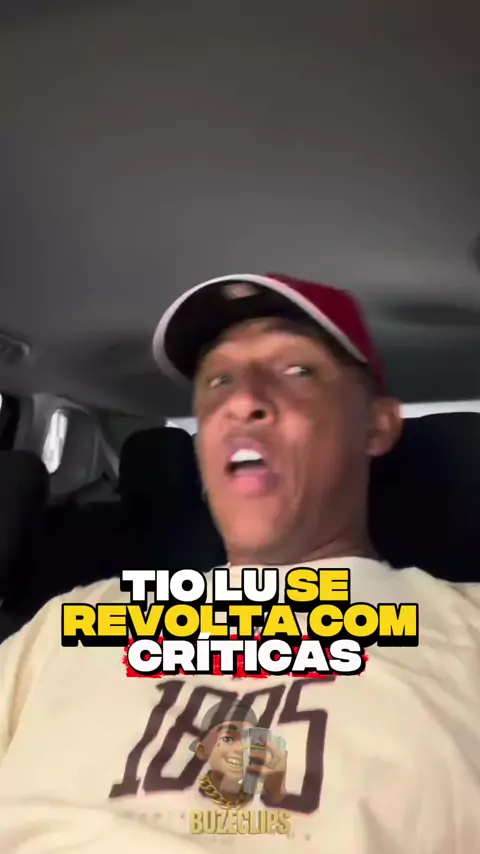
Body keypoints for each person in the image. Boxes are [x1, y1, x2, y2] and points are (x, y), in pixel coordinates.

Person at [0, 272, 478, 854]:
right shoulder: (68, 623)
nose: (241, 401)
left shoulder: (468, 629)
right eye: (218, 380)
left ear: (377, 425)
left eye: (297, 371)